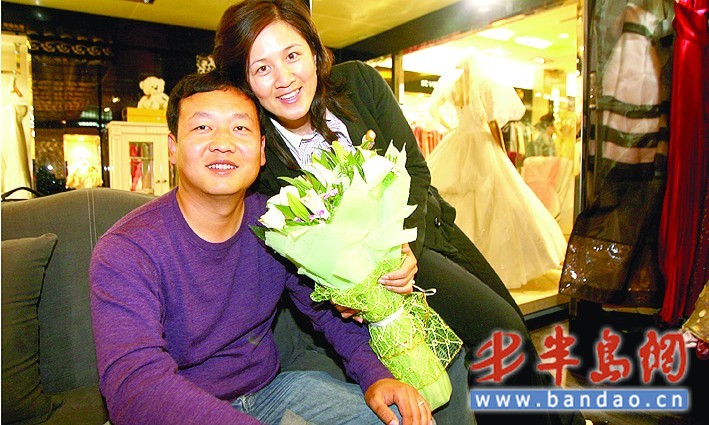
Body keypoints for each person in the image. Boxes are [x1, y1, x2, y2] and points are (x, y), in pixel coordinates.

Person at [213, 1, 586, 425]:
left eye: (292, 55)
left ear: (313, 52)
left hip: (420, 239)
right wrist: (343, 291)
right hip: (356, 287)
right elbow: (285, 241)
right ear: (244, 80)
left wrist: (402, 245)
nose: (284, 78)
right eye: (262, 68)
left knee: (504, 331)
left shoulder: (358, 83)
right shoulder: (258, 150)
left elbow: (415, 170)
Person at [89, 70, 442, 425]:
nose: (223, 143)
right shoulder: (127, 250)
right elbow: (135, 387)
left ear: (260, 152)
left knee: (400, 418)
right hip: (180, 409)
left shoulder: (276, 225)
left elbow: (325, 312)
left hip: (269, 393)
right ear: (172, 148)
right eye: (202, 127)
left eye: (240, 127)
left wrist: (376, 376)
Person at [426, 50, 567, 290]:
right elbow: (492, 121)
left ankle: (459, 263)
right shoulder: (484, 84)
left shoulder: (453, 86)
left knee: (460, 195)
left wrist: (453, 127)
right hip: (481, 142)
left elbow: (433, 110)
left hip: (459, 139)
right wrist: (500, 148)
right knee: (498, 196)